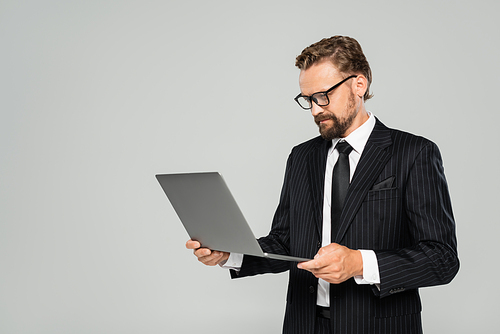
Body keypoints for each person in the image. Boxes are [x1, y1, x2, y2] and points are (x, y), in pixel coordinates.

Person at [186, 35, 459, 334]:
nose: (316, 110)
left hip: (380, 326)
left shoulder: (414, 153)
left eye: (323, 96)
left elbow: (441, 258)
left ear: (359, 84)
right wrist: (230, 254)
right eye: (308, 99)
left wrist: (359, 263)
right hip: (305, 324)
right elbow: (285, 242)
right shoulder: (301, 157)